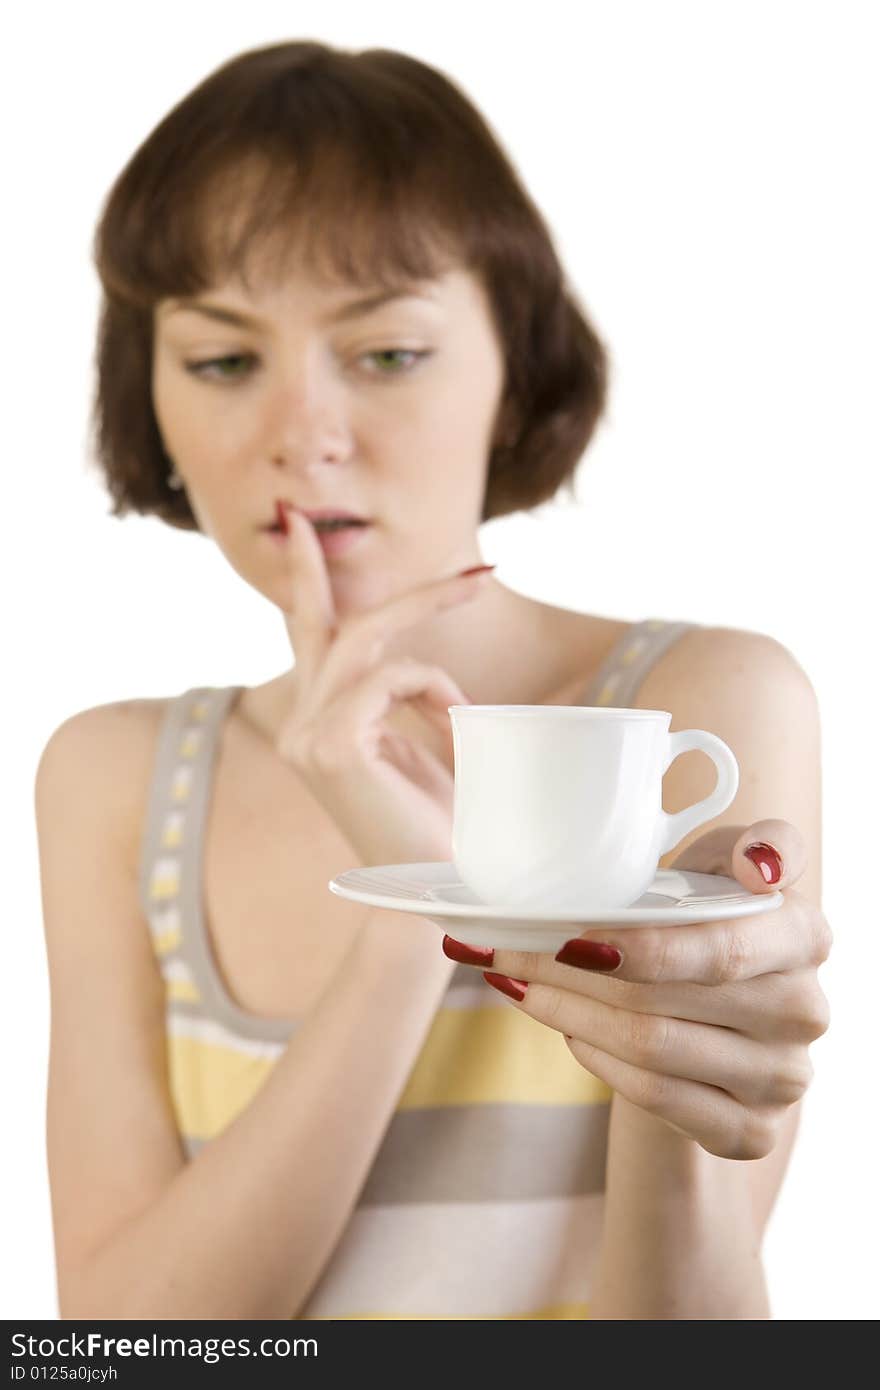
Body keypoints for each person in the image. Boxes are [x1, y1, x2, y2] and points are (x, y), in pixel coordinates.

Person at [34, 40, 831, 1321]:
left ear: (514, 374)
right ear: (154, 408)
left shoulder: (693, 714)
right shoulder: (113, 775)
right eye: (224, 360)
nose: (304, 433)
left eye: (388, 353)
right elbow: (127, 1344)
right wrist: (412, 918)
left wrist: (690, 1068)